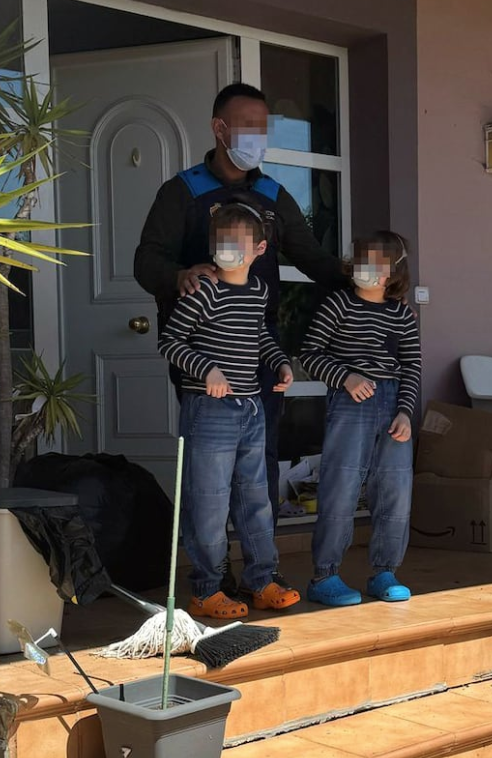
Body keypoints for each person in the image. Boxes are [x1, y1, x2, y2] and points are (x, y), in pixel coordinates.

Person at [134, 82, 349, 592]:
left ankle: (261, 574)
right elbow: (146, 260)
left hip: (259, 344)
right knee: (210, 475)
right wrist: (179, 275)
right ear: (220, 128)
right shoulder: (182, 192)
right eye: (247, 125)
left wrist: (366, 285)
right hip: (201, 351)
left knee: (258, 467)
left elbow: (312, 258)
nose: (257, 135)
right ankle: (211, 578)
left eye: (262, 126)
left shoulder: (273, 195)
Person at [157, 201, 301, 618]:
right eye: (222, 242)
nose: (228, 249)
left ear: (259, 249)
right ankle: (206, 590)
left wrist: (281, 361)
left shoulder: (258, 291)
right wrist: (207, 370)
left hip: (251, 408)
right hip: (210, 411)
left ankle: (261, 580)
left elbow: (259, 336)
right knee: (209, 502)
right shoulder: (202, 291)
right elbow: (170, 342)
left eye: (238, 243)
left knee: (255, 500)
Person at [299, 231, 422, 606]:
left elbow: (411, 366)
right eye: (360, 260)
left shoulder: (402, 314)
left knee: (395, 491)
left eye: (375, 263)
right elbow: (310, 353)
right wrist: (345, 377)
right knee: (341, 488)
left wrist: (405, 412)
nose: (364, 268)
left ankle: (385, 571)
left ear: (393, 271)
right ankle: (325, 575)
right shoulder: (338, 304)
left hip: (393, 406)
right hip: (350, 403)